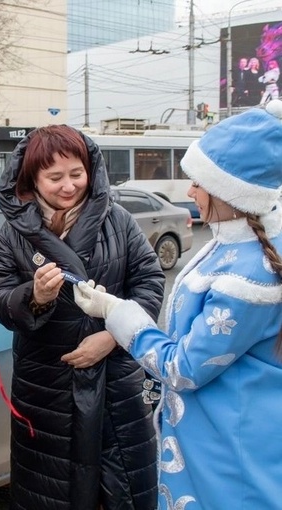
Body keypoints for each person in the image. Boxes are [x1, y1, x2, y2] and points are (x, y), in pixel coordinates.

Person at [73, 101, 282, 509]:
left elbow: (183, 368)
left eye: (198, 182)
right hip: (218, 438)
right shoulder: (234, 245)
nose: (189, 191)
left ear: (229, 190)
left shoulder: (247, 277)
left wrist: (116, 313)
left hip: (229, 455)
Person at [0, 124, 165, 509]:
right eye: (54, 178)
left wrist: (114, 336)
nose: (68, 186)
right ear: (32, 178)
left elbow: (149, 282)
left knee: (121, 489)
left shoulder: (117, 219)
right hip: (46, 387)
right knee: (51, 492)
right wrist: (34, 296)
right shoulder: (14, 233)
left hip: (116, 381)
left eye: (76, 174)